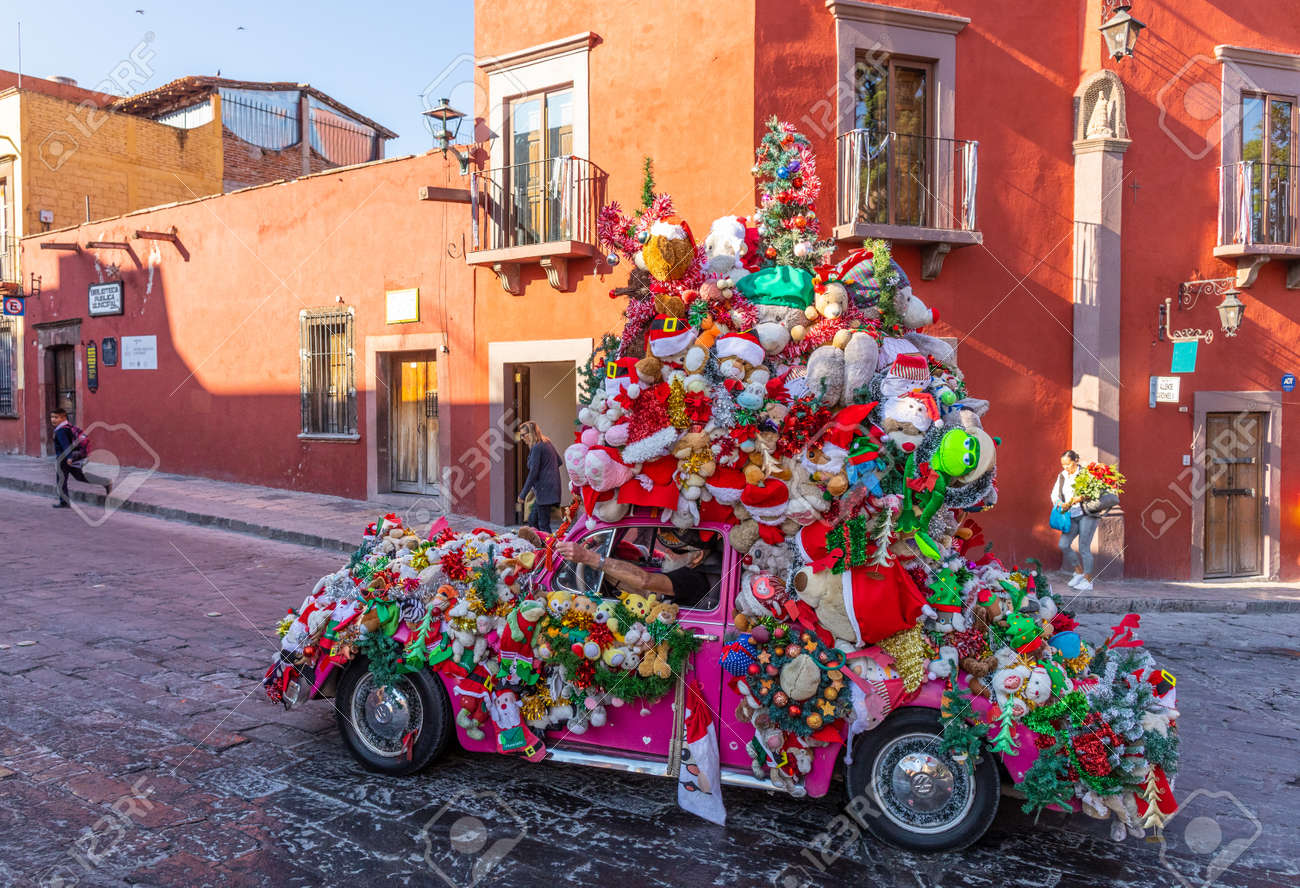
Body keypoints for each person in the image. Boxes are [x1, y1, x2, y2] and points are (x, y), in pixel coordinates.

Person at [554, 528, 719, 608]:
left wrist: (588, 557)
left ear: (697, 556)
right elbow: (647, 590)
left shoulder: (693, 579)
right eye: (667, 546)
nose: (667, 551)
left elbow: (645, 581)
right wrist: (608, 573)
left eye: (676, 550)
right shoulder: (687, 572)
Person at [1051, 449, 1097, 591]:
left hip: (1086, 515)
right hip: (1071, 516)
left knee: (1084, 548)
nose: (1065, 467)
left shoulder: (1085, 474)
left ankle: (1088, 580)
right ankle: (1078, 572)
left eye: (1068, 464)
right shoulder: (1062, 476)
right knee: (1063, 544)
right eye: (1063, 465)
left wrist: (1082, 497)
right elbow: (1054, 495)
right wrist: (1060, 504)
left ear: (1075, 461)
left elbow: (1095, 493)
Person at [50, 409, 111, 508]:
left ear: (63, 417)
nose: (53, 419)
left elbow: (66, 445)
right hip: (72, 457)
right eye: (52, 417)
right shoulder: (68, 427)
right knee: (80, 476)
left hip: (64, 459)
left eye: (56, 417)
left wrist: (69, 458)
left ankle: (64, 502)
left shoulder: (61, 431)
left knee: (61, 481)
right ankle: (105, 482)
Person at [516, 421, 561, 533]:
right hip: (548, 489)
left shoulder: (537, 447)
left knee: (543, 525)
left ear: (531, 433)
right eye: (521, 435)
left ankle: (548, 544)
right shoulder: (546, 443)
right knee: (533, 520)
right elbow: (559, 461)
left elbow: (533, 473)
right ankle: (540, 542)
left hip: (544, 490)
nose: (522, 438)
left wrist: (523, 494)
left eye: (523, 435)